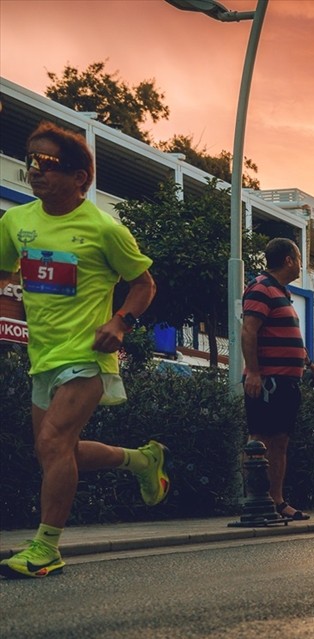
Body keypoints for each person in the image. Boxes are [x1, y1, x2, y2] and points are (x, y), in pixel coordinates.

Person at [0, 123, 166, 579]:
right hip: (43, 355)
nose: (35, 170)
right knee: (55, 449)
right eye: (31, 160)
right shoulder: (15, 222)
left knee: (53, 443)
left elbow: (143, 283)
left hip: (87, 355)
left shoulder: (103, 229)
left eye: (48, 163)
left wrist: (121, 321)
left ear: (80, 178)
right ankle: (141, 460)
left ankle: (46, 546)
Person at [241, 237, 314, 522]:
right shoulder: (261, 288)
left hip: (287, 381)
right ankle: (257, 500)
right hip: (268, 381)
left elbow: (284, 335)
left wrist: (310, 364)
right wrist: (253, 372)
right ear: (289, 259)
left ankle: (276, 500)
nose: (301, 264)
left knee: (280, 441)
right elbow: (249, 331)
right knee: (260, 439)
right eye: (300, 258)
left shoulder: (281, 292)